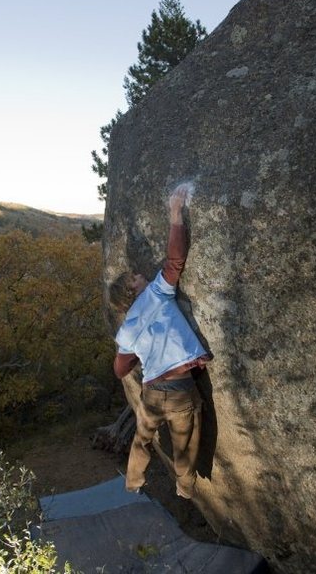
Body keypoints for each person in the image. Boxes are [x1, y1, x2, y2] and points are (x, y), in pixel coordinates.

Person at [109, 185, 211, 499]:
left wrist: (142, 351)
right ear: (134, 291)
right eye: (135, 278)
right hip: (180, 389)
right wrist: (175, 214)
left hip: (152, 392)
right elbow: (175, 260)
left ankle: (134, 481)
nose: (141, 276)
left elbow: (120, 369)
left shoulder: (125, 331)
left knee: (142, 439)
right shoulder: (156, 292)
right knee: (185, 444)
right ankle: (184, 488)